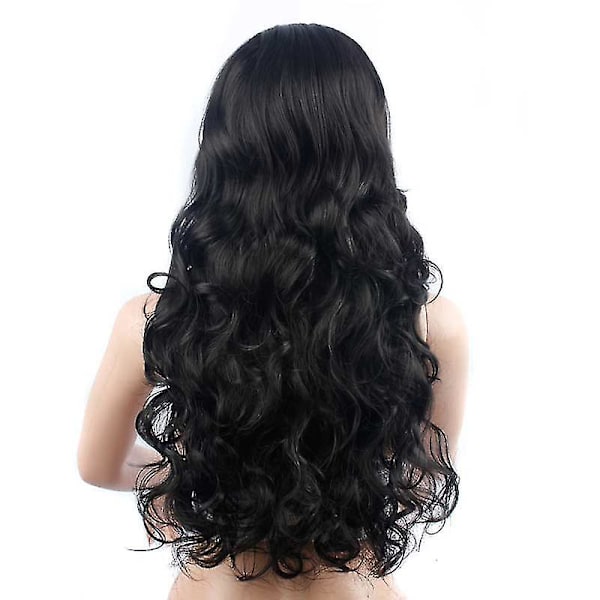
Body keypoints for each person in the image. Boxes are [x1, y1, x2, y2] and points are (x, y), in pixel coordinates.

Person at [77, 22, 469, 600]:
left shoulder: (157, 322)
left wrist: (193, 483)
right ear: (366, 148)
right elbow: (419, 479)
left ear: (225, 152)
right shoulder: (431, 326)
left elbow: (98, 465)